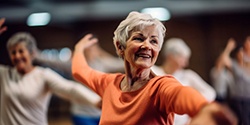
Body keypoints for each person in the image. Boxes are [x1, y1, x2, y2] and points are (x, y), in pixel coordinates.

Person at [71, 11, 237, 125]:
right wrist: (79, 50)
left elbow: (180, 94)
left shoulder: (160, 87)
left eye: (154, 41)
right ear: (120, 47)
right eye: (139, 38)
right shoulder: (109, 84)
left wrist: (204, 108)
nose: (147, 46)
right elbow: (80, 71)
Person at [0, 25, 100, 125]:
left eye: (21, 51)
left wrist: (96, 101)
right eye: (13, 52)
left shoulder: (42, 75)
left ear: (32, 54)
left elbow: (70, 88)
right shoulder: (4, 74)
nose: (17, 56)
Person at [34, 41, 124, 125]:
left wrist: (102, 53)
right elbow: (53, 61)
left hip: (100, 112)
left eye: (94, 47)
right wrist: (35, 54)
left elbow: (122, 64)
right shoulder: (74, 64)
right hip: (81, 113)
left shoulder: (102, 63)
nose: (91, 50)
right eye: (88, 47)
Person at [151, 38, 216, 125]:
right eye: (183, 59)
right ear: (171, 57)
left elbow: (210, 92)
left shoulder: (188, 75)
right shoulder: (154, 71)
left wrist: (192, 105)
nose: (186, 63)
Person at [210, 37, 250, 125]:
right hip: (237, 99)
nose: (242, 55)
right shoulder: (234, 66)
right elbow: (222, 62)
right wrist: (228, 48)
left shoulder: (247, 66)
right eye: (240, 53)